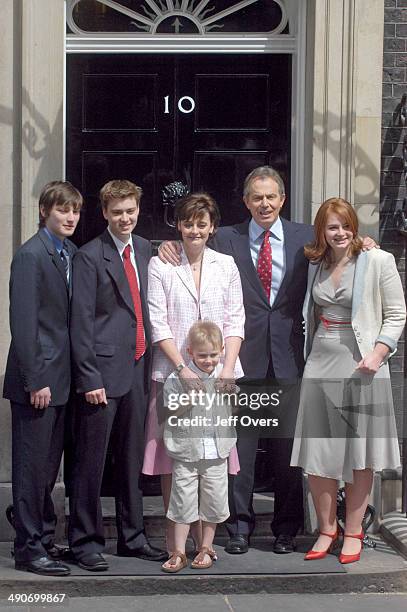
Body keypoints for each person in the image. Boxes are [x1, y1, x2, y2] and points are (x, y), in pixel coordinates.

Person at [159, 167, 313, 554]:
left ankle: (285, 530)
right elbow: (191, 239)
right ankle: (238, 529)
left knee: (286, 452)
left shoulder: (306, 237)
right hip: (240, 360)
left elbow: (342, 244)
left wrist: (366, 243)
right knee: (238, 451)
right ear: (246, 202)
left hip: (289, 359)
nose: (264, 204)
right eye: (256, 197)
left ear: (282, 199)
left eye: (271, 196)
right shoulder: (227, 237)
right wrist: (161, 245)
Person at [290, 197, 406, 564]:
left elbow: (397, 313)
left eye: (345, 225)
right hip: (321, 360)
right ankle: (327, 528)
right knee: (319, 452)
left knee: (359, 453)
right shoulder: (314, 263)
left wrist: (378, 354)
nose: (340, 233)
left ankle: (354, 530)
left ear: (355, 227)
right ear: (322, 232)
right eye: (332, 227)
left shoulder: (378, 260)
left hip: (362, 365)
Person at [68, 179, 166, 571]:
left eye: (131, 211)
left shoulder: (145, 249)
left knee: (130, 459)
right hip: (101, 376)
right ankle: (85, 541)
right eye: (118, 212)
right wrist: (89, 378)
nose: (126, 218)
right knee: (91, 462)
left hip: (138, 368)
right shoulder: (90, 256)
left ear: (138, 210)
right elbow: (81, 324)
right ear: (105, 213)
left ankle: (133, 536)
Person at [143, 192, 245, 556]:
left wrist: (229, 368)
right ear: (178, 225)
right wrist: (181, 368)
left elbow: (236, 319)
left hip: (219, 377)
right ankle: (177, 546)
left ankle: (206, 544)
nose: (194, 230)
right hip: (174, 375)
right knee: (176, 459)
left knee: (212, 458)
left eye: (202, 223)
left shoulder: (226, 265)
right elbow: (158, 321)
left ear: (212, 227)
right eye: (188, 223)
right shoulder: (162, 264)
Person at [3, 181, 82, 576]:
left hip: (63, 382)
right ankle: (28, 548)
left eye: (74, 211)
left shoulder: (69, 253)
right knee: (32, 469)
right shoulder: (31, 256)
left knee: (48, 470)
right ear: (44, 212)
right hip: (38, 383)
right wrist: (35, 379)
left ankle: (43, 537)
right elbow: (23, 323)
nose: (69, 217)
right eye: (62, 210)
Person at [161, 321, 238, 573]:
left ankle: (206, 547)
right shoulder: (177, 378)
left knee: (213, 501)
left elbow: (234, 408)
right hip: (186, 451)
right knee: (182, 500)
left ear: (221, 352)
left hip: (216, 451)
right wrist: (188, 399)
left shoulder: (224, 377)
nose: (208, 360)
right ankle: (179, 551)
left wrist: (230, 393)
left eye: (213, 355)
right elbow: (169, 409)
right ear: (190, 353)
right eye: (202, 355)